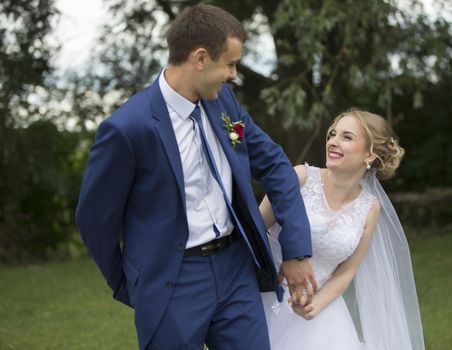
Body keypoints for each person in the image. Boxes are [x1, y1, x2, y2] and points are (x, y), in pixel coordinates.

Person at [75, 4, 317, 350]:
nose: (234, 74)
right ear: (200, 58)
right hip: (174, 281)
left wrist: (296, 252)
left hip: (236, 269)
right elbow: (94, 220)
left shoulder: (223, 103)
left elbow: (276, 165)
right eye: (230, 64)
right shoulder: (128, 129)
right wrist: (134, 282)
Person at [259, 109, 425, 349]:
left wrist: (314, 305)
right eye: (333, 134)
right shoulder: (300, 178)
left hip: (321, 311)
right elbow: (254, 230)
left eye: (346, 137)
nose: (333, 142)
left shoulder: (370, 208)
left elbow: (346, 272)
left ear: (370, 154)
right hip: (264, 297)